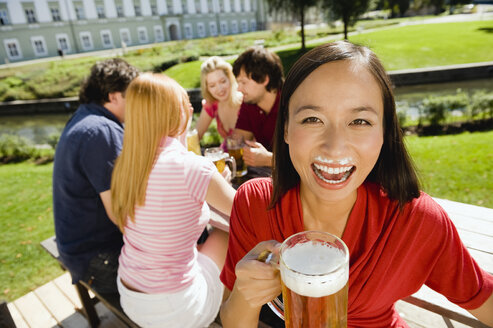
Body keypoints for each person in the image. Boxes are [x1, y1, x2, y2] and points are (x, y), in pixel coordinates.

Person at [219, 41, 493, 327]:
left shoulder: (416, 220)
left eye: (360, 121)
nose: (334, 148)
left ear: (385, 132)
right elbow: (232, 318)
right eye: (312, 119)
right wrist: (245, 293)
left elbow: (482, 296)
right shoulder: (255, 203)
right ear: (286, 128)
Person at [110, 73, 236, 328]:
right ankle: (231, 312)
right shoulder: (192, 168)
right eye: (184, 103)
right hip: (175, 308)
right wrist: (219, 181)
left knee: (196, 248)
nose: (191, 108)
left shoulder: (127, 163)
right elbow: (246, 212)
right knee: (225, 237)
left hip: (130, 292)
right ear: (172, 113)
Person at [52, 58, 139, 295]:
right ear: (113, 96)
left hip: (78, 247)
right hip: (98, 256)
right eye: (133, 95)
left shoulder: (85, 119)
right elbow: (121, 214)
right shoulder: (102, 131)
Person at [232, 46, 284, 168]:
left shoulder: (292, 105)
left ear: (264, 79)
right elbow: (237, 142)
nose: (239, 89)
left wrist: (268, 159)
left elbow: (306, 160)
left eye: (243, 82)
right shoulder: (249, 103)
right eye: (238, 82)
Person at [196, 56, 243, 150]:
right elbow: (195, 137)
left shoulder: (245, 102)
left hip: (253, 160)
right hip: (226, 159)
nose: (219, 89)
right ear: (207, 88)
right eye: (212, 85)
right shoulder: (212, 105)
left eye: (223, 81)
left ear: (230, 78)